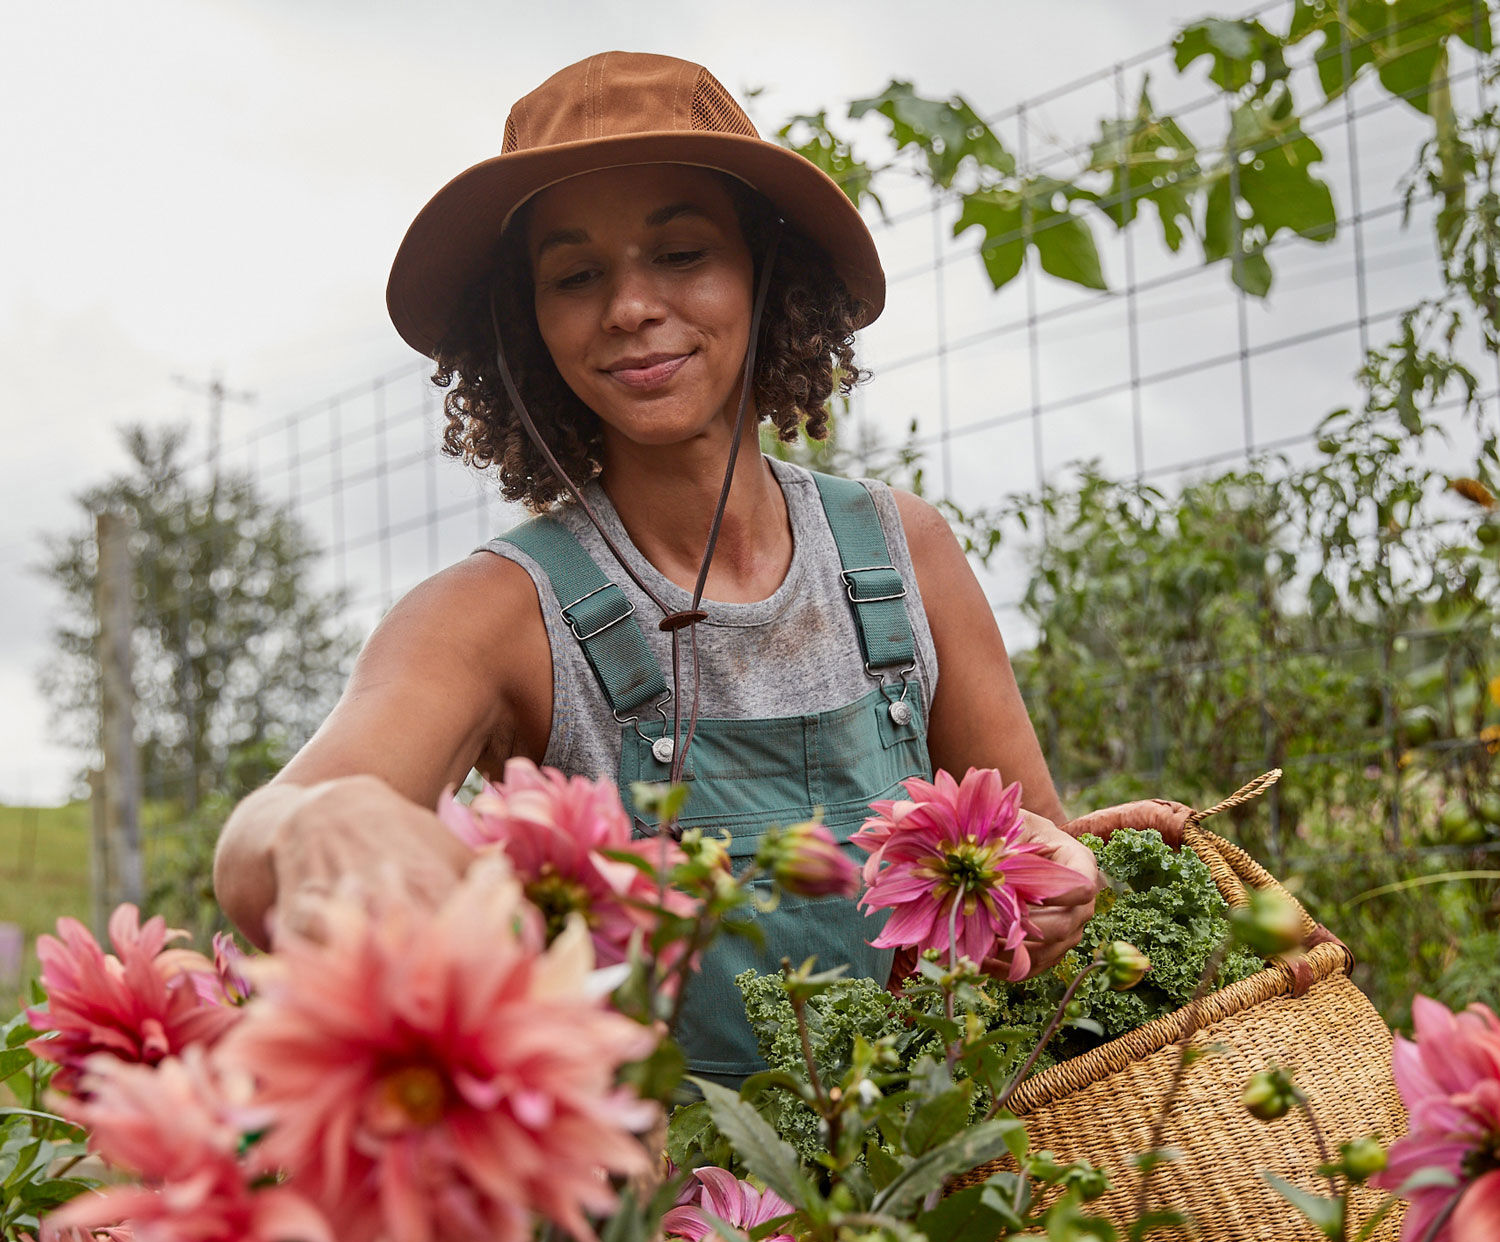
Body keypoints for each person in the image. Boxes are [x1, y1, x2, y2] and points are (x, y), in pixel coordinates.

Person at [213, 51, 1099, 1088]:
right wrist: (325, 817)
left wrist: (1065, 874)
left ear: (767, 275)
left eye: (681, 253)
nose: (631, 305)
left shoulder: (904, 554)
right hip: (657, 1221)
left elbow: (1037, 845)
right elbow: (254, 846)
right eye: (577, 275)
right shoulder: (495, 613)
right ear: (525, 327)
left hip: (928, 1194)